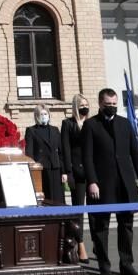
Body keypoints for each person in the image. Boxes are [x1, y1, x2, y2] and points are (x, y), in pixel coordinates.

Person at [82, 88, 138, 275]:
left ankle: (127, 264)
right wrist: (92, 181)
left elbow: (135, 153)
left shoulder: (125, 124)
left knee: (126, 225)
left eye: (114, 104)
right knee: (100, 226)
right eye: (108, 104)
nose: (112, 107)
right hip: (102, 184)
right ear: (100, 104)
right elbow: (87, 157)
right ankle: (104, 265)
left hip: (124, 183)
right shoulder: (91, 125)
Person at [60, 95, 90, 262]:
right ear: (75, 107)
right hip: (76, 172)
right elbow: (65, 149)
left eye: (86, 105)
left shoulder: (92, 123)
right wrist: (67, 171)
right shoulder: (68, 124)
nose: (84, 108)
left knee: (95, 210)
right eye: (81, 105)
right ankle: (80, 243)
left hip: (92, 172)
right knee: (78, 209)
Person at [24, 105, 64, 203]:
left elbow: (61, 151)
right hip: (41, 168)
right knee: (45, 197)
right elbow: (29, 152)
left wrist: (64, 171)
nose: (44, 116)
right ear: (36, 116)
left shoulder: (55, 130)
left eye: (45, 113)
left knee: (58, 198)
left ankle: (60, 216)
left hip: (55, 167)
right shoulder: (31, 130)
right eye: (41, 114)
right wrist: (32, 168)